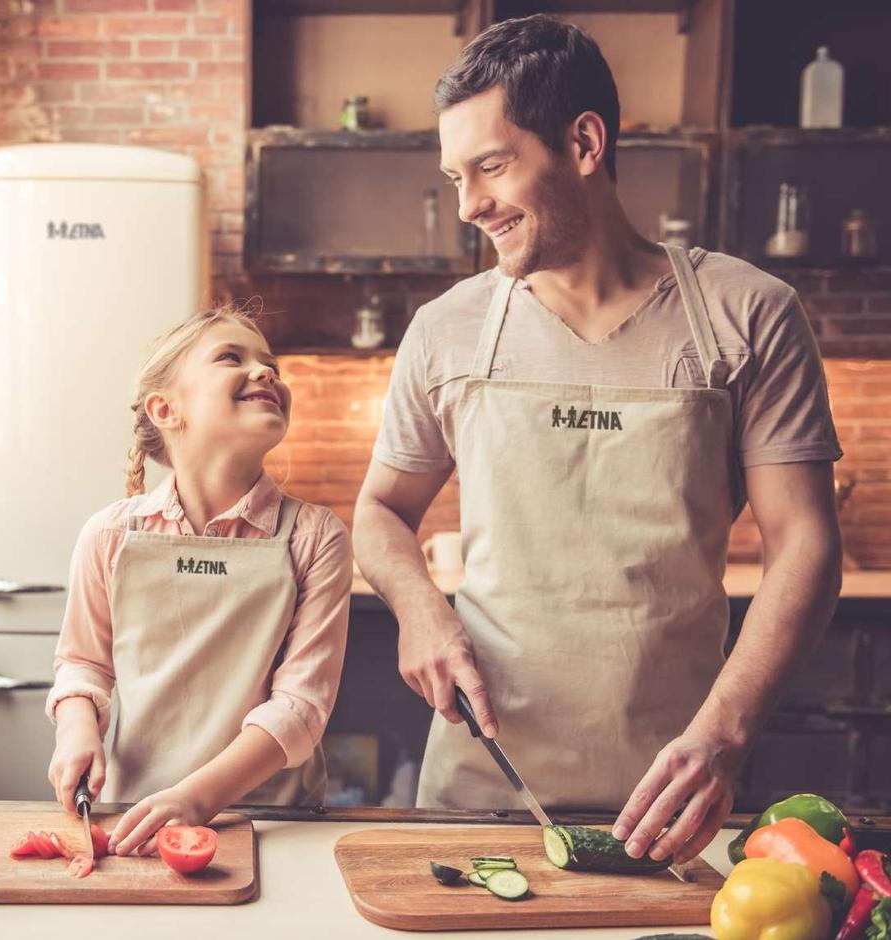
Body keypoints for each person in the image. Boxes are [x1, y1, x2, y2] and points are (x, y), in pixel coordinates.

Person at [353, 15, 843, 866]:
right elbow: (379, 512)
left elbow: (804, 539)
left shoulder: (748, 313)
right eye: (455, 176)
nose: (469, 205)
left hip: (680, 793)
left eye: (492, 167)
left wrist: (725, 735)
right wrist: (420, 611)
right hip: (482, 790)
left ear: (584, 142)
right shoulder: (447, 330)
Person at [46, 307, 352, 856]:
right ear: (166, 409)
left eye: (271, 365)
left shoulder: (316, 537)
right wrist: (76, 728)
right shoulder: (111, 534)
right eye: (232, 358)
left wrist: (195, 798)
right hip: (133, 815)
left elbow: (300, 707)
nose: (266, 373)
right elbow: (85, 664)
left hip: (272, 822)